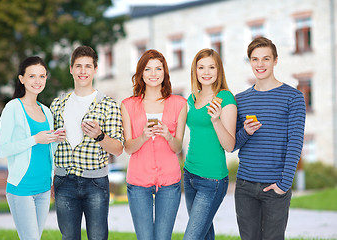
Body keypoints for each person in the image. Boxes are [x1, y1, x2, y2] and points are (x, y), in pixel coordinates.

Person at [233, 37, 306, 240]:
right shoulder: (241, 99)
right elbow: (233, 146)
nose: (260, 64)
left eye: (266, 58)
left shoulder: (293, 97)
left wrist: (284, 184)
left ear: (275, 61)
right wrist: (245, 132)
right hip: (245, 186)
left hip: (275, 186)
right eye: (255, 59)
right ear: (250, 62)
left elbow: (295, 142)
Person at [50, 46, 123, 240]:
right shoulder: (57, 105)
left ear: (95, 70)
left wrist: (100, 136)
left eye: (88, 66)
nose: (83, 71)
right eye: (78, 66)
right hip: (64, 181)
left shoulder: (108, 104)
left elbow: (118, 149)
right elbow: (51, 144)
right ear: (71, 69)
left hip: (95, 183)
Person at [121, 49, 187, 240]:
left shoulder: (179, 103)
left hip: (169, 182)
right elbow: (128, 147)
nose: (153, 74)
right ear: (141, 73)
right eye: (148, 69)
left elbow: (177, 147)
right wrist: (142, 137)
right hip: (138, 182)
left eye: (158, 69)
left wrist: (167, 135)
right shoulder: (128, 105)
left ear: (165, 72)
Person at [0, 56, 65, 240]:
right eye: (32, 76)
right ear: (22, 79)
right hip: (22, 188)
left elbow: (46, 147)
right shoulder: (13, 108)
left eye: (42, 76)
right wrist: (34, 139)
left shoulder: (47, 111)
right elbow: (2, 149)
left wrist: (56, 139)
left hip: (43, 187)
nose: (37, 81)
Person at [183, 48, 237, 240]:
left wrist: (216, 120)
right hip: (189, 174)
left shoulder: (226, 98)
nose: (206, 72)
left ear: (219, 70)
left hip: (212, 180)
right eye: (201, 67)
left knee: (192, 237)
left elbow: (230, 145)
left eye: (211, 67)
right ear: (195, 71)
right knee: (204, 235)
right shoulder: (192, 98)